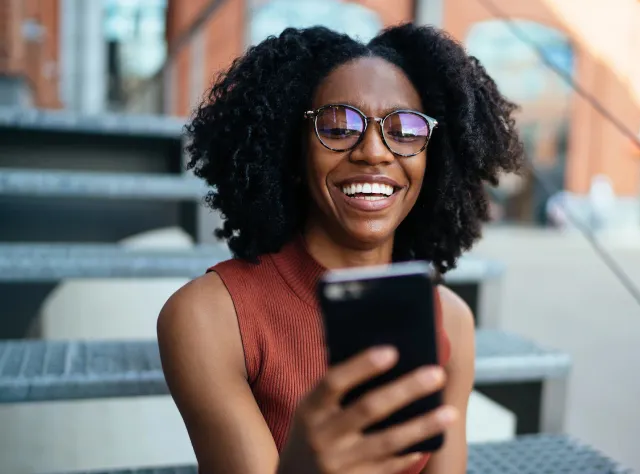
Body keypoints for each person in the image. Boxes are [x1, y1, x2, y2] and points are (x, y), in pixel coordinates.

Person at [157, 23, 523, 474]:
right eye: (338, 124)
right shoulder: (208, 317)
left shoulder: (449, 319)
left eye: (406, 129)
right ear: (294, 151)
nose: (374, 151)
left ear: (435, 158)